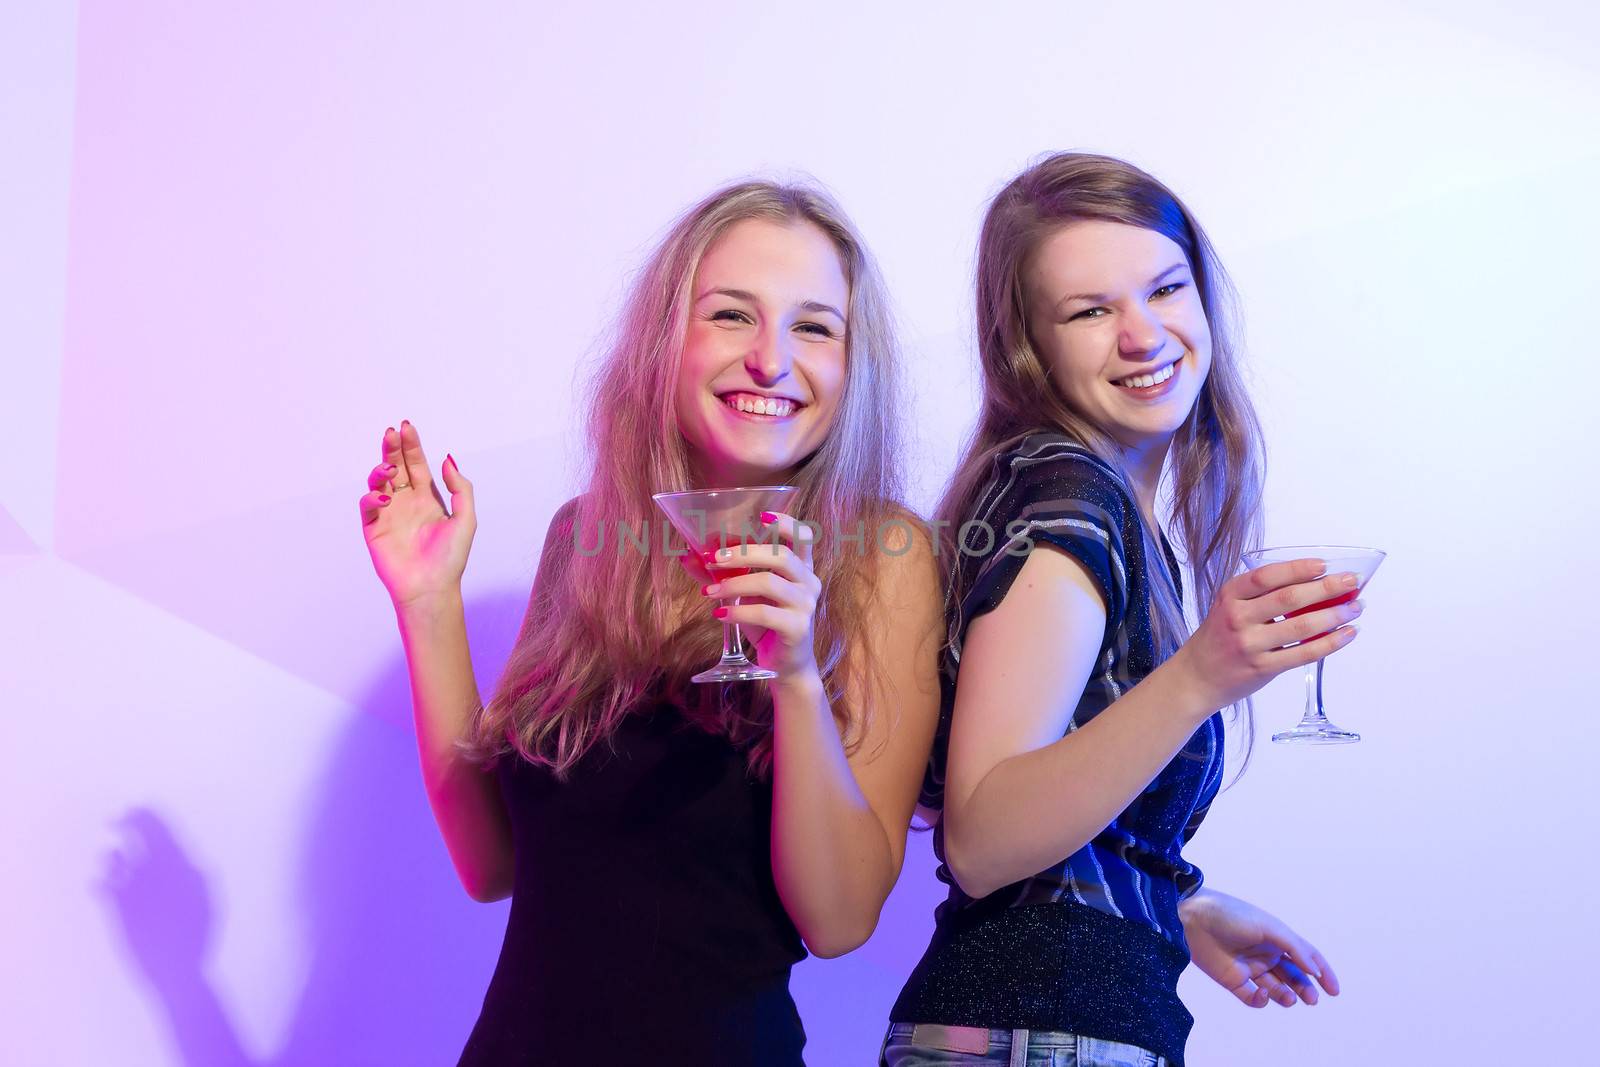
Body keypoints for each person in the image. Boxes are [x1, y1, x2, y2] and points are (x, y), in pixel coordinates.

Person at [358, 180, 943, 1065]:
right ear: (666, 341)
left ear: (853, 364)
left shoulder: (881, 555)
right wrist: (428, 603)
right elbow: (493, 865)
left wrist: (792, 675)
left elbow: (841, 918)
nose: (772, 360)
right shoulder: (583, 536)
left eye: (815, 326)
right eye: (732, 315)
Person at [883, 153, 1350, 1067]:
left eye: (1165, 289)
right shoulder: (1067, 497)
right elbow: (983, 841)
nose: (1145, 335)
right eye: (1091, 311)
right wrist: (1201, 674)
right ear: (1031, 347)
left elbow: (1050, 805)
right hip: (1037, 1035)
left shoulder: (1101, 504)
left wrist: (1174, 908)